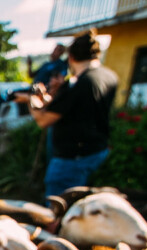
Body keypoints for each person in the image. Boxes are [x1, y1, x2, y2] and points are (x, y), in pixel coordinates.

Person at [30, 30, 118, 199]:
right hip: (96, 149)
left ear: (71, 57)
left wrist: (33, 101)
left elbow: (43, 120)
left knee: (59, 207)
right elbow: (80, 108)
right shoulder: (109, 76)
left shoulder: (80, 84)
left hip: (72, 156)